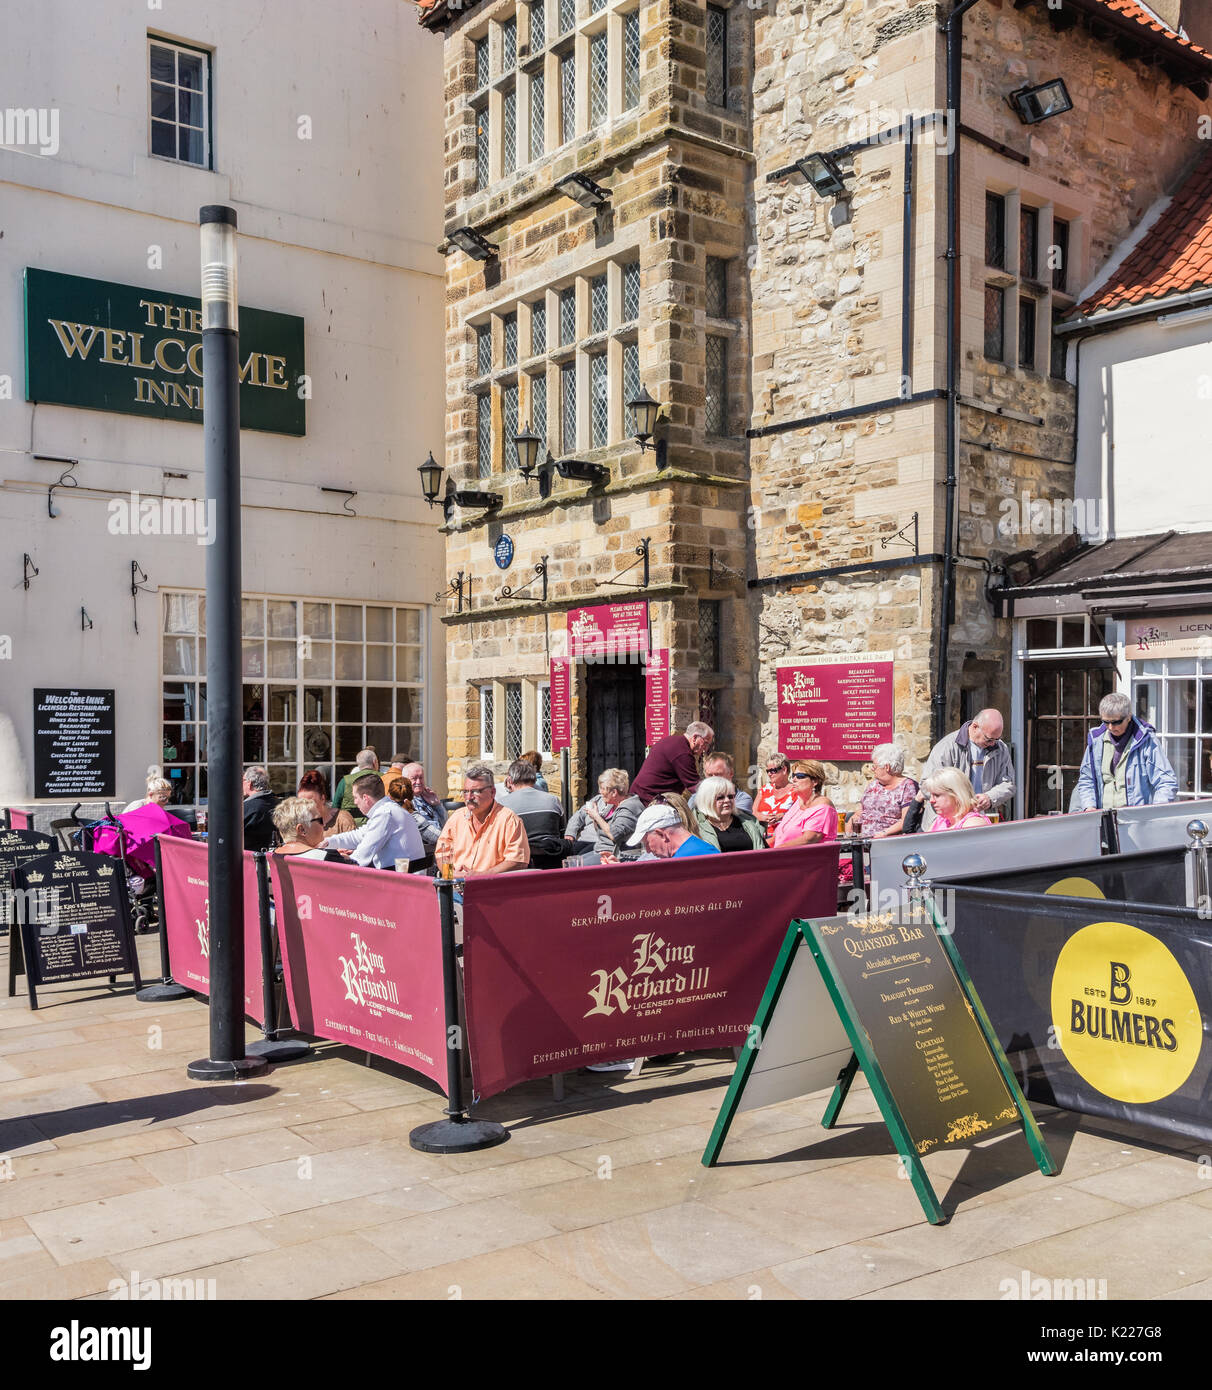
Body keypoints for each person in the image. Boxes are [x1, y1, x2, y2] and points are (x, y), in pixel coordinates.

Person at [1074, 691, 1178, 810]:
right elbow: (1087, 779)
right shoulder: (1096, 740)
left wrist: (1153, 813)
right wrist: (1089, 806)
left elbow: (1166, 782)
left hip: (1137, 822)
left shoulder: (1147, 740)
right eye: (1106, 722)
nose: (1111, 727)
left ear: (1128, 716)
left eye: (1116, 722)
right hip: (1102, 819)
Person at [433, 763, 530, 875]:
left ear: (492, 792)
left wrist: (483, 875)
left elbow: (518, 861)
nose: (469, 797)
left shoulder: (509, 820)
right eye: (465, 791)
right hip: (456, 886)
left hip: (490, 888)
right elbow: (442, 853)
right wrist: (450, 874)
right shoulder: (457, 818)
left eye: (476, 792)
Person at [921, 709, 1014, 824]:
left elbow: (1008, 784)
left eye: (997, 739)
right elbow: (926, 785)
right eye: (989, 739)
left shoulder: (1000, 748)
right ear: (975, 727)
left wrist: (990, 797)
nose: (993, 744)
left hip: (981, 820)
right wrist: (961, 801)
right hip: (947, 822)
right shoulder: (947, 746)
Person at [323, 773, 424, 869]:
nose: (355, 802)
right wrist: (328, 842)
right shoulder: (387, 810)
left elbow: (361, 857)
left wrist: (338, 857)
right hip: (402, 876)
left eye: (355, 797)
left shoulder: (385, 814)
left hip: (402, 881)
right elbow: (359, 835)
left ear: (365, 798)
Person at [497, 758, 566, 868]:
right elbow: (562, 832)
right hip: (551, 859)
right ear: (534, 779)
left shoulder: (501, 805)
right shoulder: (553, 800)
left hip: (518, 863)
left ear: (510, 781)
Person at [564, 769, 643, 858]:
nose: (599, 791)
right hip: (600, 848)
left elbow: (614, 834)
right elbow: (580, 816)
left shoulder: (630, 807)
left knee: (577, 865)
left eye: (602, 788)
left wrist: (596, 816)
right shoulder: (610, 803)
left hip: (614, 854)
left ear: (614, 792)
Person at [629, 722, 714, 805]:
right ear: (695, 737)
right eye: (705, 743)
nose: (705, 749)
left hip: (641, 796)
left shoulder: (672, 741)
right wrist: (717, 794)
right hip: (648, 800)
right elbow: (695, 786)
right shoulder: (683, 752)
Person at [847, 744, 919, 839]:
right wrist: (848, 832)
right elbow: (859, 813)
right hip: (861, 841)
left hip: (887, 841)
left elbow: (906, 820)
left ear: (887, 767)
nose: (872, 769)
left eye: (875, 766)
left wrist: (884, 833)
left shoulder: (908, 786)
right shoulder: (873, 785)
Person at [771, 760, 838, 848]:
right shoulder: (799, 803)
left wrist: (776, 851)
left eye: (800, 776)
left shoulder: (823, 806)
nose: (794, 779)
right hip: (783, 857)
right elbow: (779, 837)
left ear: (815, 781)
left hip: (807, 860)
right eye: (793, 776)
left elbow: (809, 839)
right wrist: (757, 846)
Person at [692, 777, 765, 853]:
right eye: (720, 797)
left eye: (730, 796)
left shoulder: (748, 822)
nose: (727, 800)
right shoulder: (695, 828)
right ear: (707, 800)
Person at [626, 801, 718, 858]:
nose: (648, 850)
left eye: (647, 843)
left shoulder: (683, 862)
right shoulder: (705, 849)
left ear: (661, 834)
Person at [272, 796, 346, 862]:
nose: (324, 824)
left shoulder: (272, 856)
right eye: (320, 820)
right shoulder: (327, 858)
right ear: (302, 830)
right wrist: (346, 859)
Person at [922, 769, 992, 832]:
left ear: (956, 795)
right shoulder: (940, 821)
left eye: (937, 795)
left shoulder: (973, 823)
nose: (931, 800)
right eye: (931, 795)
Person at [752, 752, 798, 845]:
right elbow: (754, 812)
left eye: (772, 770)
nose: (769, 774)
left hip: (785, 839)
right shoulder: (765, 789)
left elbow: (800, 815)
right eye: (767, 771)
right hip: (762, 838)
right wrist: (766, 818)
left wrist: (783, 815)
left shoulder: (796, 791)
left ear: (784, 770)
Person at [297, 770, 355, 835]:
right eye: (301, 803)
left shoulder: (342, 820)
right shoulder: (300, 823)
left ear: (323, 798)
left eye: (311, 803)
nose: (306, 808)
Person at [333, 747, 379, 827]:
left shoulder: (345, 781)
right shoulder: (384, 778)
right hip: (377, 824)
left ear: (359, 764)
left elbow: (335, 807)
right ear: (374, 762)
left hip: (350, 827)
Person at [402, 762, 449, 840]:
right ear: (404, 780)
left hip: (438, 845)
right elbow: (423, 829)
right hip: (425, 848)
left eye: (421, 778)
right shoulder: (405, 801)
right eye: (414, 778)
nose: (418, 782)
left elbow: (446, 823)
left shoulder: (427, 796)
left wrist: (437, 805)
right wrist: (445, 840)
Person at [242, 766, 280, 852]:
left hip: (249, 860)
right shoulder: (278, 803)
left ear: (249, 783)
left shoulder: (246, 808)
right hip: (276, 858)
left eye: (243, 780)